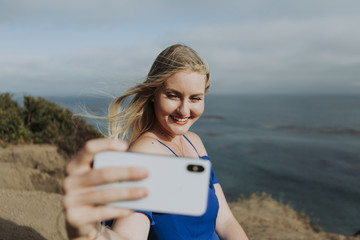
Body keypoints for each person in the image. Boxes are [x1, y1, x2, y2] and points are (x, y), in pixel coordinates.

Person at [63, 44, 249, 240]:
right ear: (153, 94)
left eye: (195, 98)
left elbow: (225, 220)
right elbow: (128, 235)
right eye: (173, 95)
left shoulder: (194, 141)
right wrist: (88, 233)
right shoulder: (146, 153)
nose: (184, 111)